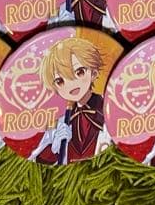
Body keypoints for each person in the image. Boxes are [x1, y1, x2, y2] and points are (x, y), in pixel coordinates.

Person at [29, 36, 108, 165]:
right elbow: (41, 161)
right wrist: (54, 148)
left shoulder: (109, 111)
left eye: (79, 72)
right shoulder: (60, 123)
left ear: (94, 73)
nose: (71, 83)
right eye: (60, 81)